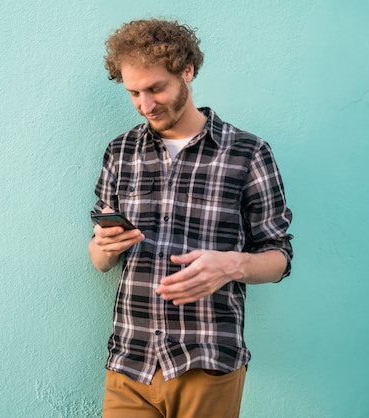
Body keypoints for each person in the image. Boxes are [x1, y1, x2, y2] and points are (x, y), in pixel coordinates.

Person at [88, 19, 293, 418]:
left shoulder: (248, 152)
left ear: (187, 72)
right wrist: (103, 247)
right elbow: (100, 260)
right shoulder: (120, 151)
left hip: (207, 362)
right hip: (131, 363)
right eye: (134, 92)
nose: (145, 105)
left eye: (155, 88)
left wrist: (233, 264)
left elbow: (280, 257)